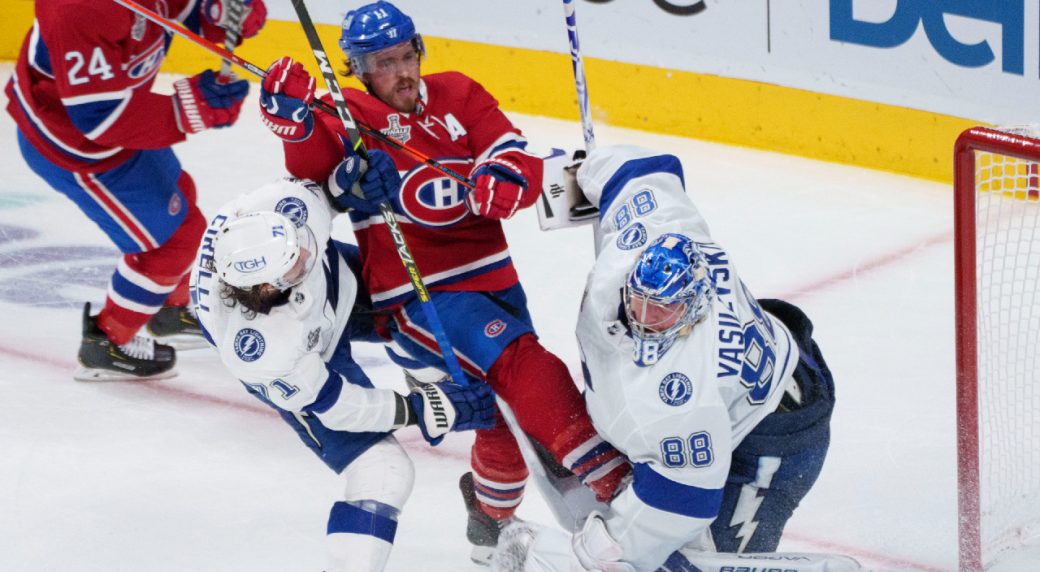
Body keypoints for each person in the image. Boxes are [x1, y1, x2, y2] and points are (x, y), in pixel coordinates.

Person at [256, 0, 630, 562]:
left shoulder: (457, 92)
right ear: (357, 67)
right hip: (416, 298)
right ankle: (615, 482)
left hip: (494, 281)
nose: (403, 71)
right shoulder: (346, 117)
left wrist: (506, 178)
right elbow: (311, 171)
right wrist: (295, 122)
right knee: (527, 365)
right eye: (385, 62)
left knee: (504, 421)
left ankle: (489, 520)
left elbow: (512, 153)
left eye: (408, 55)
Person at [491, 145, 840, 572]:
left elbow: (682, 505)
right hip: (772, 356)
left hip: (774, 435)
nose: (645, 318)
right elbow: (639, 170)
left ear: (694, 306)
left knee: (699, 559)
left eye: (663, 311)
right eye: (640, 301)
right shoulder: (650, 233)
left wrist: (598, 552)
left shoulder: (681, 397)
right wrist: (580, 176)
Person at [189, 171, 497, 572]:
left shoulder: (285, 213)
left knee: (425, 310)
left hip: (342, 285)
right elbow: (337, 405)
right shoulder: (261, 350)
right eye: (294, 264)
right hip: (314, 358)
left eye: (296, 244)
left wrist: (351, 183)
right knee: (384, 472)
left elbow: (328, 196)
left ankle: (423, 369)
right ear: (266, 289)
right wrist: (419, 409)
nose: (305, 252)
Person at [5, 0, 267, 380]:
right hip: (75, 146)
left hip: (119, 119)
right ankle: (109, 341)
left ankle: (168, 310)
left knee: (181, 199)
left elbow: (171, 11)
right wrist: (187, 108)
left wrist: (213, 14)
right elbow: (99, 116)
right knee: (172, 242)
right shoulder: (77, 7)